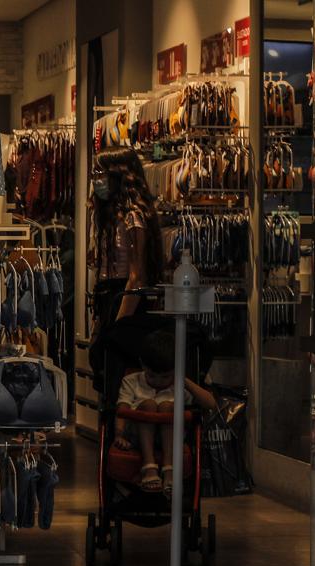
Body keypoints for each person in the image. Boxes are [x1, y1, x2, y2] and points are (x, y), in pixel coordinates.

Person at [114, 331, 215, 497]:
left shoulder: (178, 385)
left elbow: (211, 404)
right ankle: (149, 467)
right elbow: (122, 409)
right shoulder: (132, 381)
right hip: (138, 436)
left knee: (168, 406)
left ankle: (169, 469)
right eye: (152, 376)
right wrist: (119, 434)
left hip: (169, 437)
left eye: (165, 377)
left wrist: (184, 381)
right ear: (143, 365)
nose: (159, 381)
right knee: (148, 405)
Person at [89, 149, 165, 325]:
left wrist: (120, 323)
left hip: (123, 299)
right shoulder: (113, 217)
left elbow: (137, 276)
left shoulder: (133, 217)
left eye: (100, 173)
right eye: (95, 173)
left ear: (118, 176)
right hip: (110, 297)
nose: (96, 180)